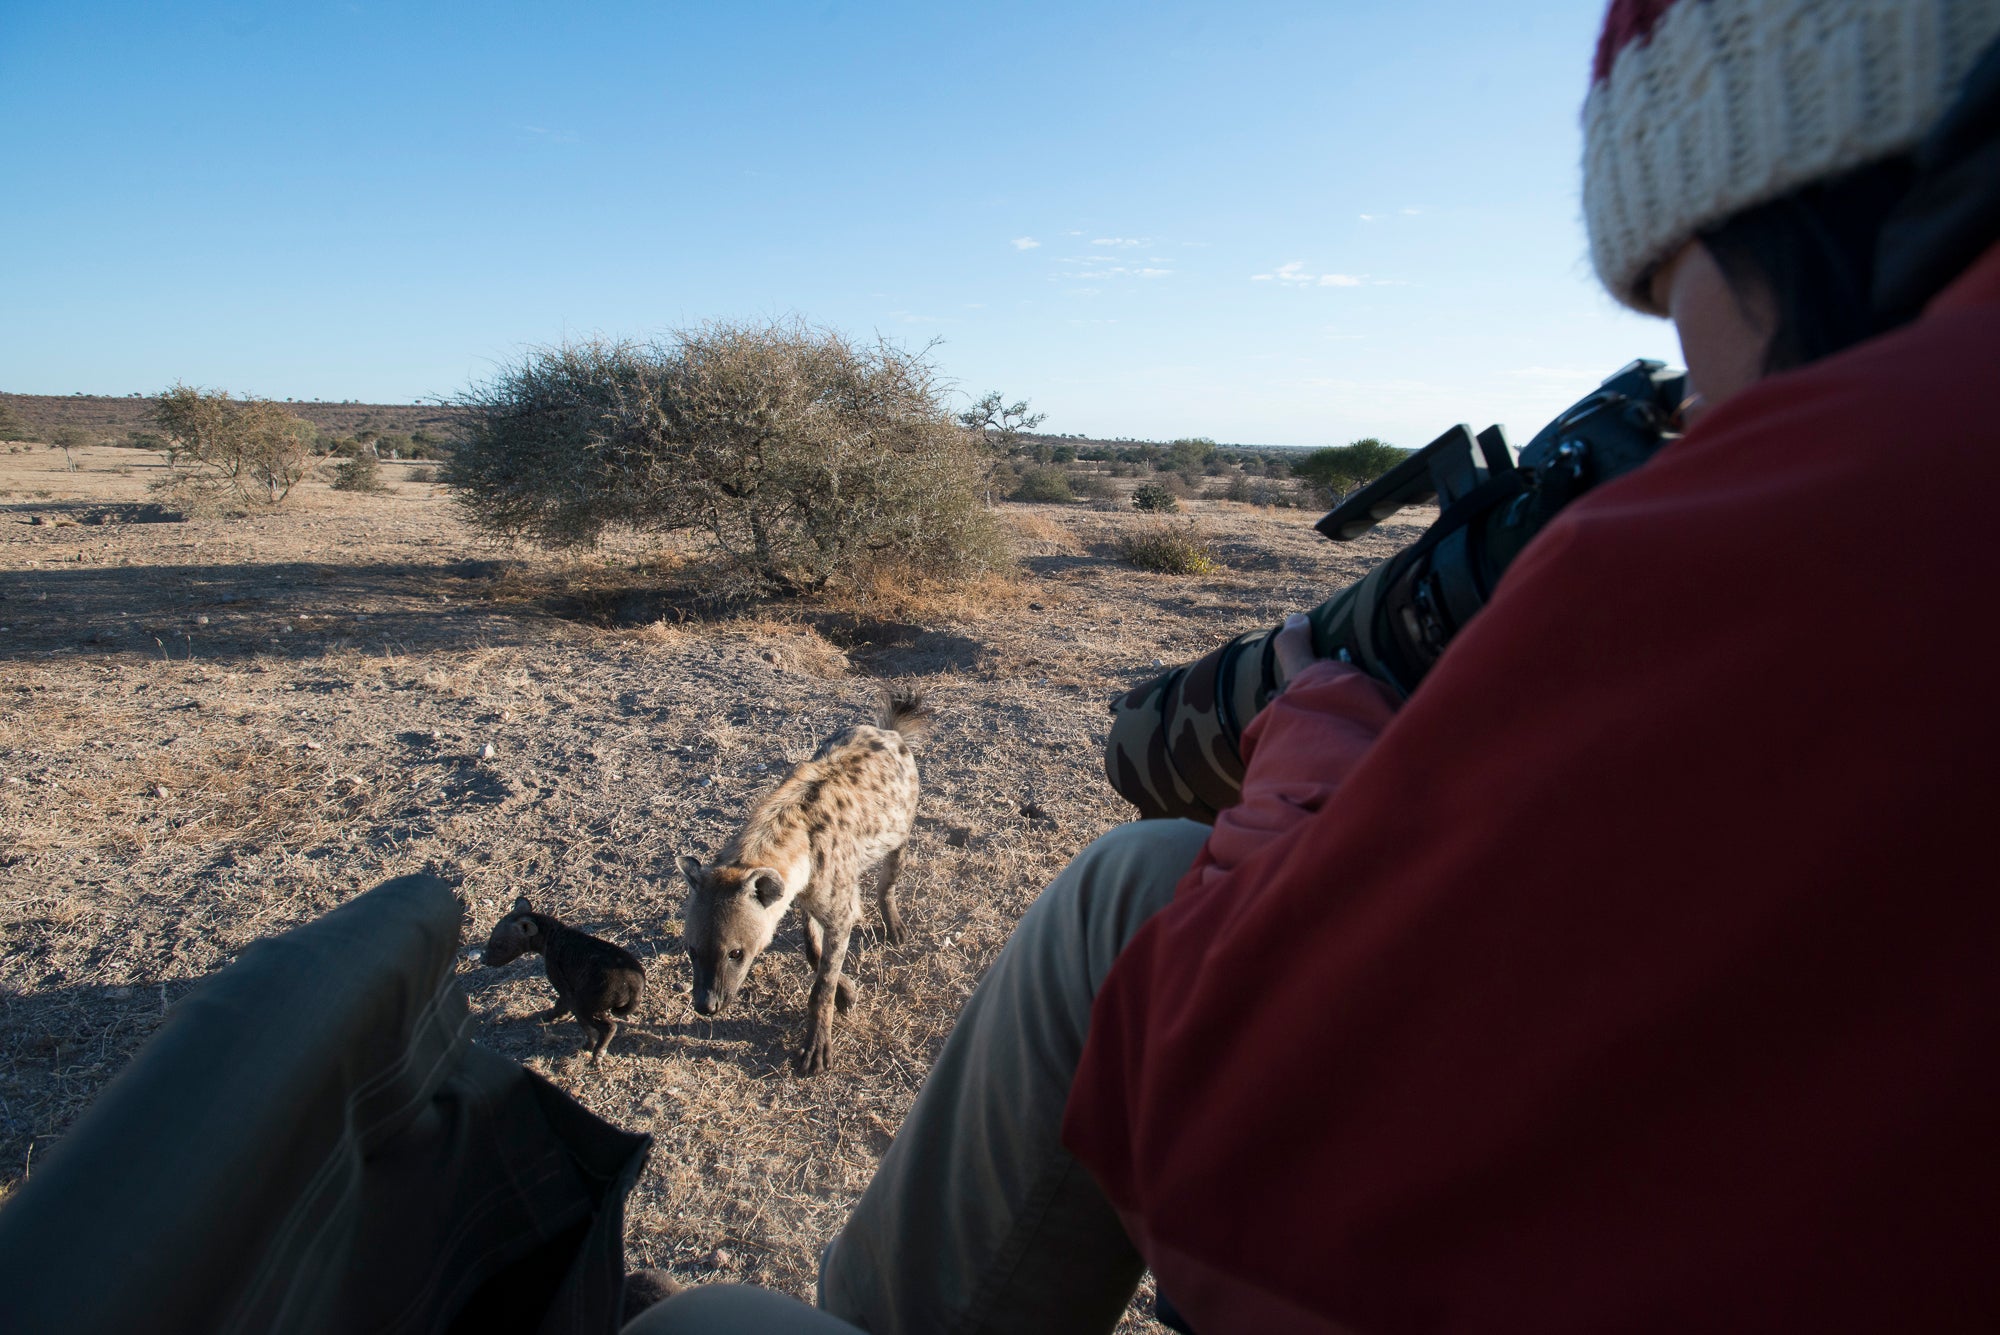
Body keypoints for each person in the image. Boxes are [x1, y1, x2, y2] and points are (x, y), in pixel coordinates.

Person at [626, 0, 2000, 1329]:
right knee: (1135, 879)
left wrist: (1317, 769)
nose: (1681, 382)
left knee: (695, 1328)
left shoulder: (1870, 488)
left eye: (1675, 285)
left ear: (1797, 199)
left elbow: (1274, 1189)